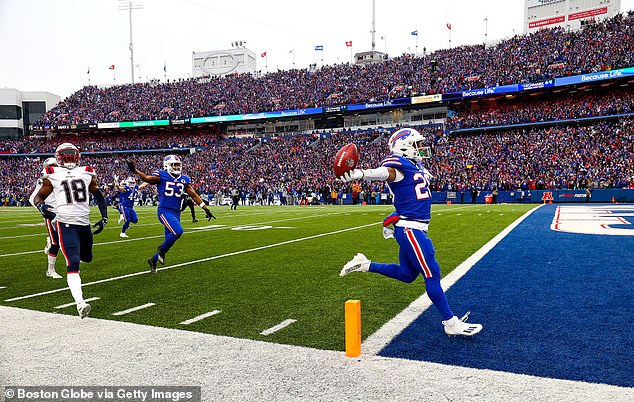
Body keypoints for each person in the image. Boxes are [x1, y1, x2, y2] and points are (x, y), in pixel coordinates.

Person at [339, 128, 482, 337]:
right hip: (411, 228)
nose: (421, 148)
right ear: (403, 145)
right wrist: (361, 174)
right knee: (432, 274)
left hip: (411, 227)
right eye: (416, 144)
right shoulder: (398, 164)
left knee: (407, 275)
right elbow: (385, 173)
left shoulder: (416, 165)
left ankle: (365, 264)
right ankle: (450, 322)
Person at [33, 143, 109, 318]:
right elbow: (39, 196)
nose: (68, 159)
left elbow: (98, 195)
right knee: (73, 263)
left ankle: (73, 258)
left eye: (70, 155)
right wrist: (40, 206)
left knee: (87, 258)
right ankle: (80, 303)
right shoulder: (53, 174)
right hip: (65, 224)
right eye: (65, 156)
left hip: (84, 224)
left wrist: (104, 217)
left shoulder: (87, 172)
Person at [126, 154, 216, 273]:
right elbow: (146, 179)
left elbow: (193, 194)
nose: (177, 167)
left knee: (170, 240)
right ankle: (161, 251)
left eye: (178, 165)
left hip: (176, 213)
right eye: (174, 165)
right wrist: (135, 170)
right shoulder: (161, 175)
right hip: (164, 211)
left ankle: (153, 260)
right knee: (178, 231)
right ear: (167, 165)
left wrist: (205, 208)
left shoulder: (184, 179)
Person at [29, 157, 63, 279]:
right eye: (52, 165)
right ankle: (50, 270)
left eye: (56, 165)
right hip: (52, 215)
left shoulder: (62, 178)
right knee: (56, 244)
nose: (54, 167)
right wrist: (42, 209)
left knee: (71, 238)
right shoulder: (44, 180)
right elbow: (33, 198)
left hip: (65, 213)